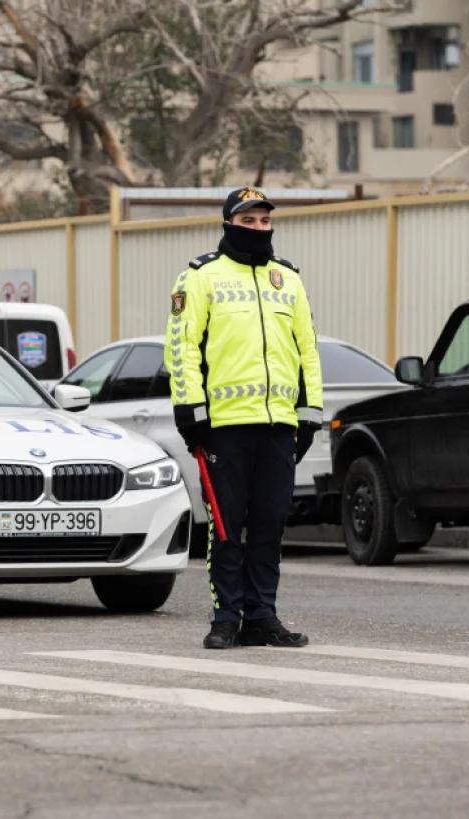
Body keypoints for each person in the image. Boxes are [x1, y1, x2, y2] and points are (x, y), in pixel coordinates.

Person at [164, 186, 323, 650]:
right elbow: (181, 349)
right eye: (248, 220)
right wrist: (191, 414)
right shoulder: (200, 277)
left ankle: (261, 616)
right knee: (227, 527)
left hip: (278, 427)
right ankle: (225, 618)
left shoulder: (287, 279)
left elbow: (307, 350)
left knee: (270, 525)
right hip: (224, 429)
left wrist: (309, 415)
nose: (258, 227)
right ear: (228, 224)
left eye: (264, 220)